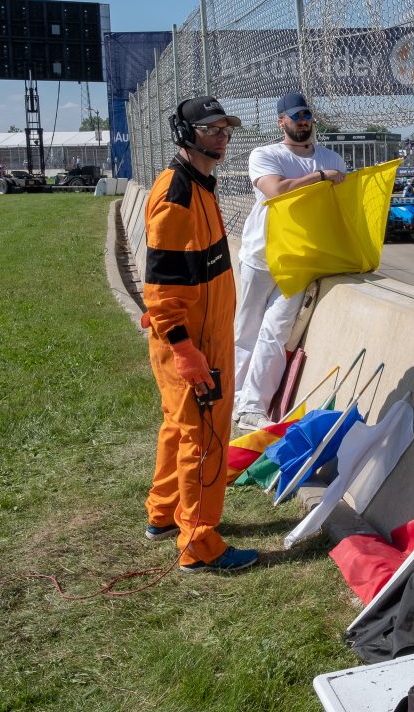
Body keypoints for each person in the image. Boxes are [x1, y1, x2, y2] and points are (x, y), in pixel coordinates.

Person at [142, 95, 258, 573]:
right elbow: (162, 287)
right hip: (192, 344)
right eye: (211, 130)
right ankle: (198, 543)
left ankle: (163, 513)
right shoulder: (178, 195)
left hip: (199, 337)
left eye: (225, 130)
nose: (222, 137)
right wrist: (185, 348)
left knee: (179, 427)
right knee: (205, 439)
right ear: (185, 134)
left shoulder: (199, 185)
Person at [232, 91, 348, 431]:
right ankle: (233, 399)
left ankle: (252, 406)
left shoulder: (332, 158)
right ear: (281, 121)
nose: (303, 121)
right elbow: (278, 191)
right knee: (247, 331)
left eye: (307, 115)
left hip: (301, 260)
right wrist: (321, 177)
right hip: (261, 256)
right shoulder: (265, 154)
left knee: (276, 330)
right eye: (296, 116)